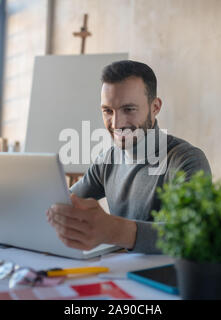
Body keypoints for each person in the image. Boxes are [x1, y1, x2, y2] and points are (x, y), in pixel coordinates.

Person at [46, 60, 211, 254]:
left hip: (165, 278)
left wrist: (113, 230)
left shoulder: (187, 160)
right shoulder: (107, 160)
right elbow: (65, 203)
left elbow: (192, 235)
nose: (116, 123)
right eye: (108, 111)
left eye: (129, 109)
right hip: (116, 273)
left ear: (155, 107)